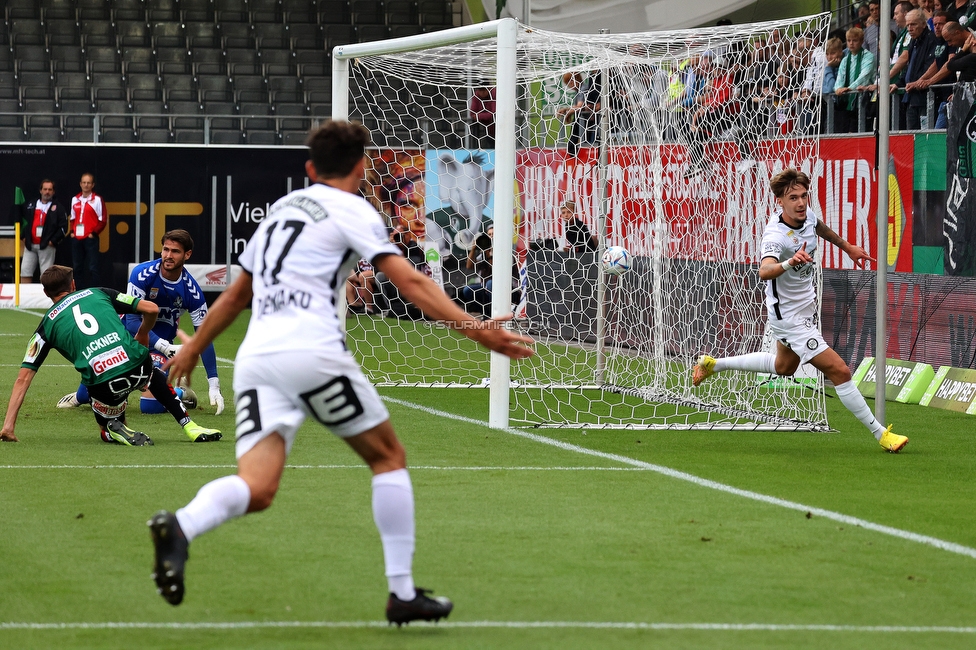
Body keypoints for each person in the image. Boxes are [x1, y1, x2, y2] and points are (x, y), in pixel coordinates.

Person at [146, 120, 535, 624]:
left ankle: (181, 525)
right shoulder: (354, 209)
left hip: (259, 359)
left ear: (310, 169)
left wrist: (195, 347)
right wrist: (475, 327)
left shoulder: (282, 210)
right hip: (312, 352)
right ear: (362, 164)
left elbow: (239, 292)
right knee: (389, 458)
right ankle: (401, 593)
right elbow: (410, 280)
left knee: (257, 486)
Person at [692, 169, 908, 454]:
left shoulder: (807, 217)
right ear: (779, 201)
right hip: (790, 320)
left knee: (784, 367)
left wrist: (847, 247)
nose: (801, 202)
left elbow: (819, 228)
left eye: (804, 195)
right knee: (840, 371)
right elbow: (764, 270)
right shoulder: (776, 235)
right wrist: (789, 262)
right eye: (793, 197)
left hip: (804, 312)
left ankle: (713, 364)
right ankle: (881, 434)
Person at [0, 266, 221, 445]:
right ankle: (190, 426)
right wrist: (143, 334)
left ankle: (112, 429)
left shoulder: (45, 326)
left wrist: (8, 426)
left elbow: (23, 378)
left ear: (46, 293)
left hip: (102, 384)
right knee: (152, 373)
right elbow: (151, 309)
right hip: (137, 364)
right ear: (73, 285)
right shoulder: (99, 292)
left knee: (106, 419)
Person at [56, 230, 226, 427]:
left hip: (157, 346)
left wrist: (214, 385)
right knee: (85, 396)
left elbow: (204, 336)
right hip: (125, 338)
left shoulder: (192, 291)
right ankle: (83, 394)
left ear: (187, 255)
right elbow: (132, 321)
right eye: (165, 249)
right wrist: (164, 347)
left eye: (175, 252)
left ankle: (180, 393)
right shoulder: (142, 274)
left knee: (149, 406)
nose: (168, 256)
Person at [895, 9, 939, 129]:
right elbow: (910, 68)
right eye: (908, 24)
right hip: (911, 98)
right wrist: (898, 83)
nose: (909, 28)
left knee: (925, 137)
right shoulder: (913, 42)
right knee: (911, 138)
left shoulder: (932, 40)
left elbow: (931, 67)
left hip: (924, 97)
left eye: (913, 24)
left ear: (923, 24)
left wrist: (917, 82)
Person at [19, 179, 68, 283]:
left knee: (46, 274)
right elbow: (21, 221)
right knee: (25, 271)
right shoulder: (31, 205)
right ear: (40, 191)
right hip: (30, 245)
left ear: (53, 192)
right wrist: (23, 236)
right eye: (45, 189)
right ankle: (24, 296)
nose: (47, 192)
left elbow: (64, 227)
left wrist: (53, 241)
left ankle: (45, 298)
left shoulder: (58, 208)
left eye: (50, 189)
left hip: (47, 246)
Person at [834, 27, 876, 133]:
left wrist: (849, 88)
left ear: (862, 41)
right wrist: (838, 88)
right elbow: (840, 77)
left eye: (855, 40)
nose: (851, 43)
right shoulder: (845, 60)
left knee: (859, 131)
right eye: (849, 41)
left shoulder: (868, 56)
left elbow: (864, 76)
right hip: (847, 101)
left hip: (864, 101)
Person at [69, 172, 107, 289]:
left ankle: (95, 292)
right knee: (77, 267)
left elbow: (103, 219)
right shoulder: (75, 199)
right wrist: (72, 232)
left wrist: (94, 233)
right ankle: (78, 291)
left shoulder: (97, 200)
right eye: (84, 182)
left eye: (88, 183)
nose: (86, 185)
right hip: (77, 238)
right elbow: (72, 218)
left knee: (92, 267)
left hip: (90, 238)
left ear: (92, 185)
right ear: (80, 184)